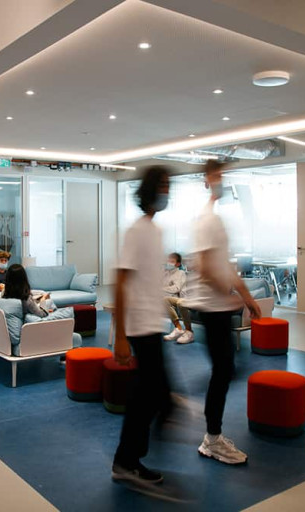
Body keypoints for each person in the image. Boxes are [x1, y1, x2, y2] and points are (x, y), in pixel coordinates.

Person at [186, 160, 261, 465]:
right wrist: (229, 297)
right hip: (211, 308)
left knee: (225, 370)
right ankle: (212, 439)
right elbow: (205, 267)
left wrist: (245, 296)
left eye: (222, 175)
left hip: (219, 306)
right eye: (216, 175)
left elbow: (226, 265)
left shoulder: (215, 219)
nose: (220, 180)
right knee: (223, 372)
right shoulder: (206, 219)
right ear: (206, 180)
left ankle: (212, 436)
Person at [112, 165, 172, 487]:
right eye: (162, 185)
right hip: (139, 326)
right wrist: (121, 336)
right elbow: (120, 282)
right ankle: (127, 461)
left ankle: (129, 458)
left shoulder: (156, 230)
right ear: (149, 189)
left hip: (153, 324)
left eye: (168, 185)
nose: (167, 191)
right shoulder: (136, 231)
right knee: (148, 396)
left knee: (150, 394)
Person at [162, 252, 194, 344]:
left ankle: (189, 332)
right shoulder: (166, 273)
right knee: (164, 300)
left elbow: (176, 288)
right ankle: (178, 329)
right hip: (171, 297)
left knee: (179, 302)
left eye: (172, 261)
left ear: (178, 264)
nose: (168, 263)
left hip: (182, 298)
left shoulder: (181, 273)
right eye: (168, 260)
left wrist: (162, 289)